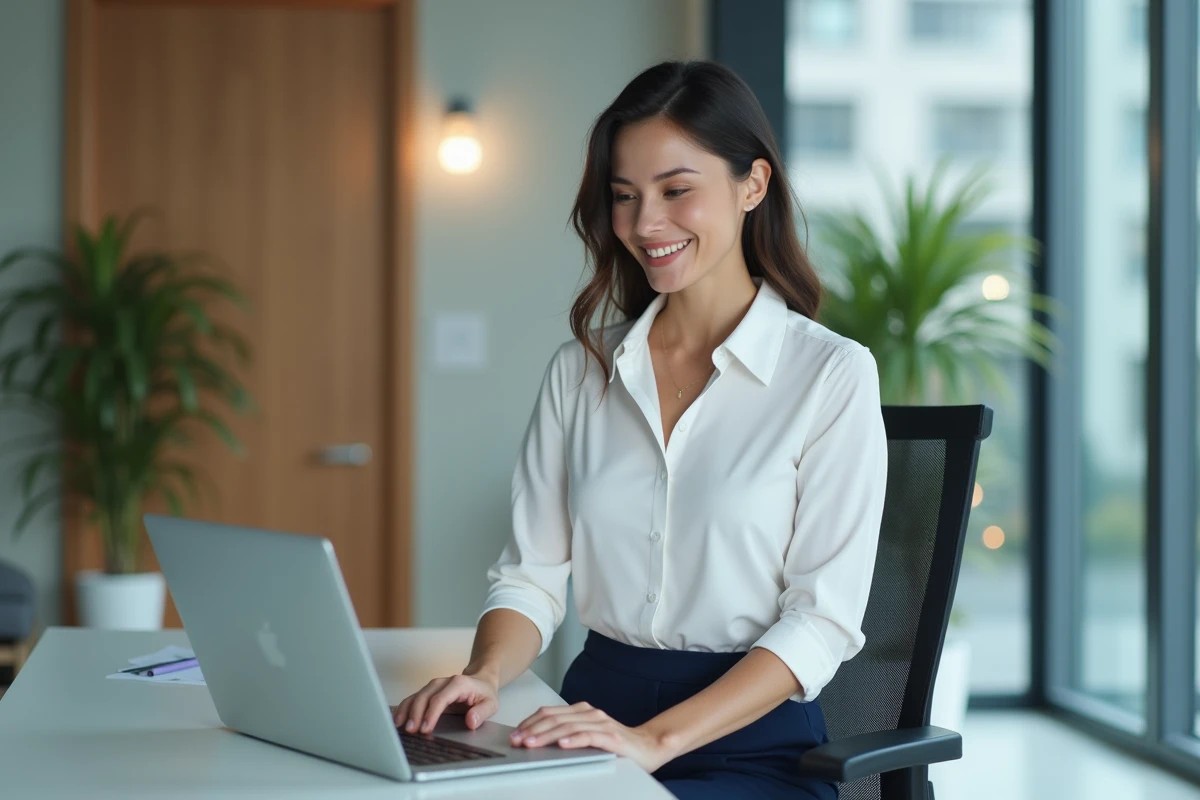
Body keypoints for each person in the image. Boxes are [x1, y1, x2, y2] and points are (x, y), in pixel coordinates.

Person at [392, 59, 888, 800]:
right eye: (624, 197)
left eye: (676, 190)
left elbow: (821, 623)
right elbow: (530, 576)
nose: (644, 224)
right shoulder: (579, 372)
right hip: (585, 717)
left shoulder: (830, 375)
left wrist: (652, 742)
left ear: (752, 185)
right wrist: (485, 675)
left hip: (748, 747)